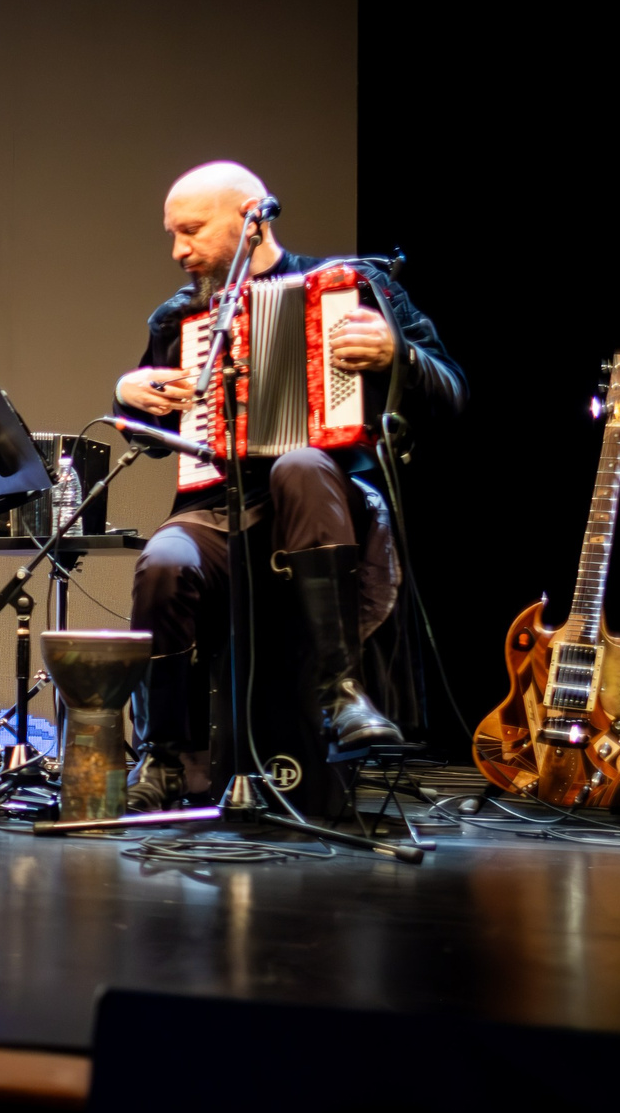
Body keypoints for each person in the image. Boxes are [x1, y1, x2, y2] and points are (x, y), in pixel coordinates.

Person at [115, 162, 464, 809]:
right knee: (163, 561)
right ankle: (164, 755)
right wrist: (129, 397)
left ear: (253, 218)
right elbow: (146, 431)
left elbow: (451, 393)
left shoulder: (357, 289)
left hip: (322, 504)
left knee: (298, 462)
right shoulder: (179, 320)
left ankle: (342, 696)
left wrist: (399, 356)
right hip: (218, 507)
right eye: (172, 234)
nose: (177, 251)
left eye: (191, 231)